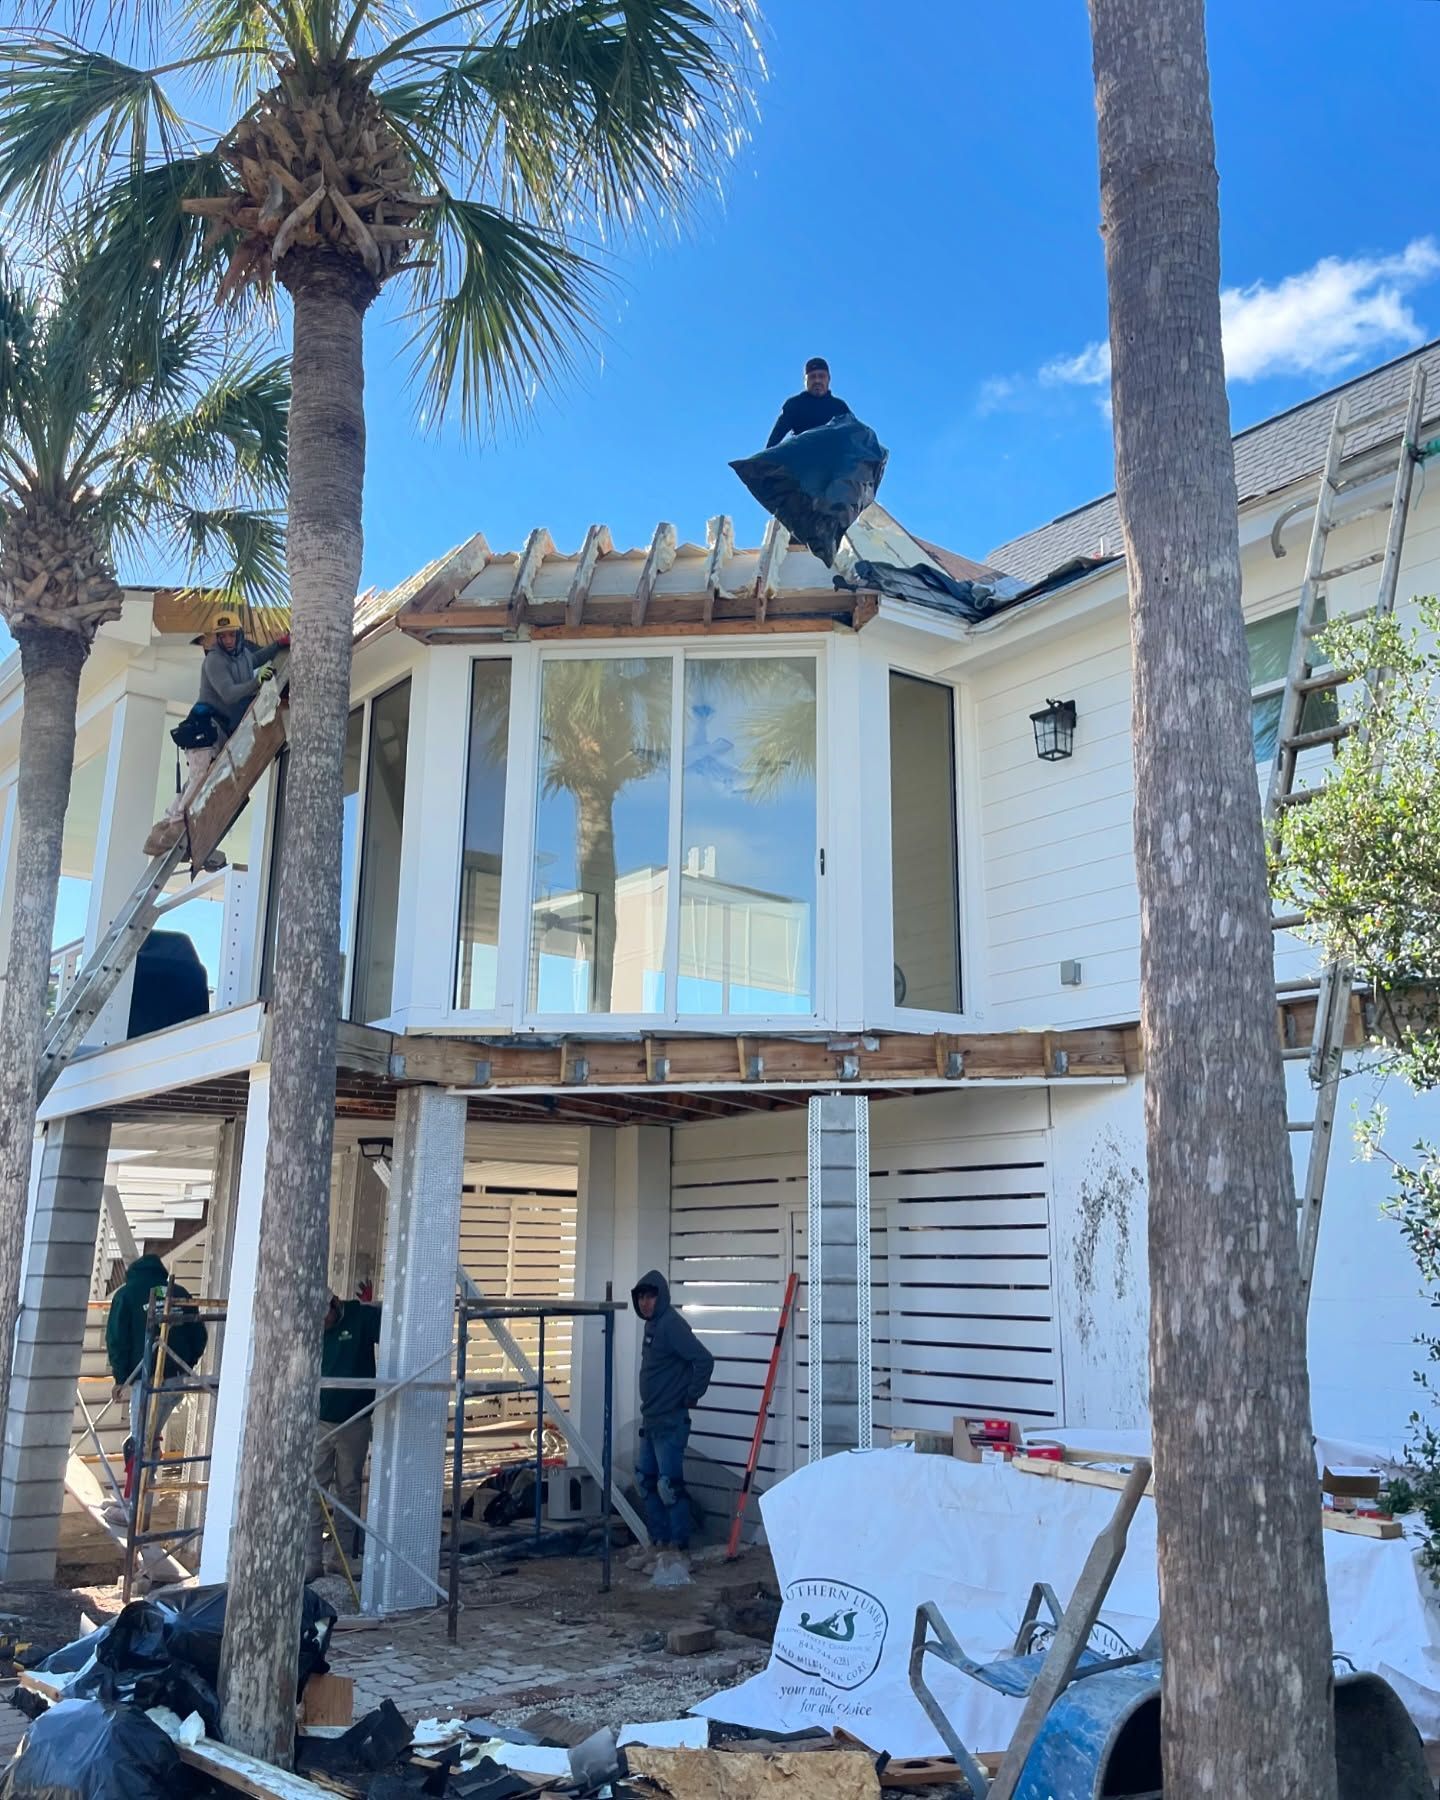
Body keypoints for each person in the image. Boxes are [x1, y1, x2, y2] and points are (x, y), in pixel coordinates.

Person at [147, 612, 290, 857]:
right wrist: (257, 683)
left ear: (238, 634)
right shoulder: (214, 661)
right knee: (199, 777)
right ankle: (174, 829)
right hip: (203, 728)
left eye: (231, 634)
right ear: (218, 638)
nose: (228, 640)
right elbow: (229, 693)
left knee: (197, 778)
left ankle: (171, 822)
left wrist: (278, 645)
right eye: (222, 636)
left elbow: (254, 659)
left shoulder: (242, 655)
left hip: (219, 730)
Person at [630, 1270, 714, 1578]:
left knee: (669, 1486)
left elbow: (704, 1360)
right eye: (641, 1297)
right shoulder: (652, 1326)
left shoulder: (672, 1325)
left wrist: (692, 1395)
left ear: (661, 1297)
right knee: (647, 1481)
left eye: (650, 1296)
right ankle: (659, 1543)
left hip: (671, 1421)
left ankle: (678, 1548)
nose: (645, 1302)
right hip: (651, 1420)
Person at [106, 1252, 208, 1503]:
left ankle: (134, 1507)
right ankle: (143, 1501)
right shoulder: (180, 1292)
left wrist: (121, 1378)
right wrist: (186, 1363)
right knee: (148, 1438)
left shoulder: (126, 1294)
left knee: (138, 1443)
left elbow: (117, 1341)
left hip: (147, 1379)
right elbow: (199, 1334)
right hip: (176, 1380)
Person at [308, 1291, 383, 1582]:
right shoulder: (311, 1326)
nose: (321, 1324)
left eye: (324, 1317)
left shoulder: (361, 1319)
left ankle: (341, 1558)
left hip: (354, 1420)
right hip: (319, 1420)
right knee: (313, 1488)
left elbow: (395, 1331)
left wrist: (373, 1302)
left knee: (348, 1489)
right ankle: (311, 1560)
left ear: (334, 1304)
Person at [765, 357, 852, 448]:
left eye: (821, 376)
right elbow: (774, 440)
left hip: (832, 459)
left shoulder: (840, 407)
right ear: (805, 381)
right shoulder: (795, 404)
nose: (817, 381)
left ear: (828, 379)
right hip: (801, 458)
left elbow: (854, 437)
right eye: (812, 377)